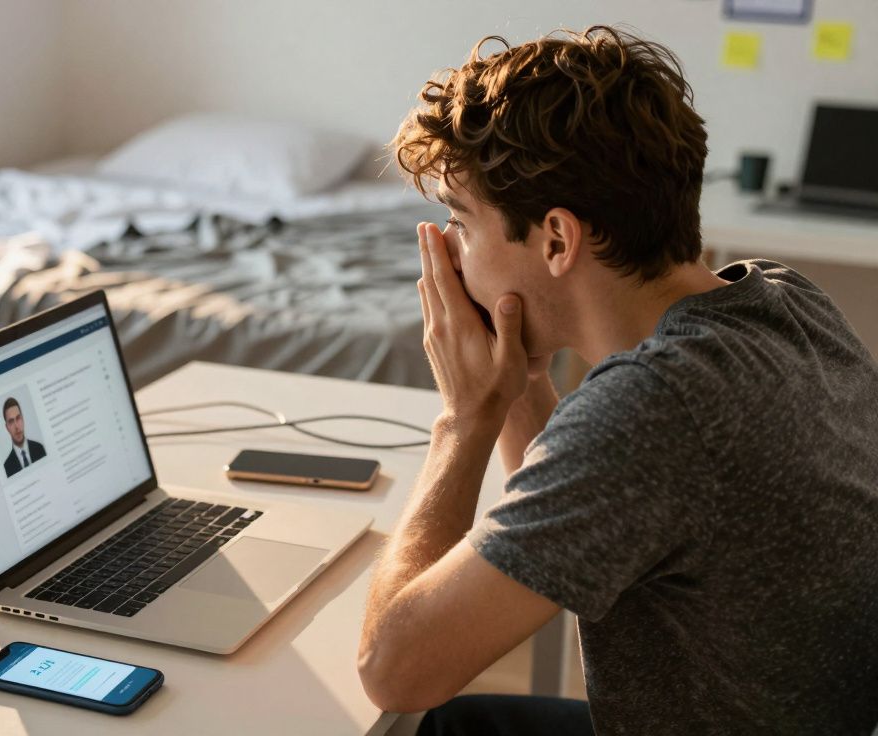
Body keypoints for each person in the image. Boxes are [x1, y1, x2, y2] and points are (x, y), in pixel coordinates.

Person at [356, 25, 878, 735]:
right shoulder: (785, 300)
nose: (448, 249)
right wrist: (516, 381)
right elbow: (583, 514)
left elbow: (394, 672)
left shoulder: (655, 409)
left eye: (461, 222)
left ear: (557, 241)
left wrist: (464, 420)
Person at [2, 397, 46, 477]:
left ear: (23, 419)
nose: (16, 426)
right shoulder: (6, 468)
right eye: (11, 421)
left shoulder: (40, 449)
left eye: (18, 418)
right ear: (7, 427)